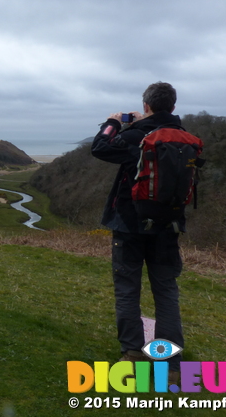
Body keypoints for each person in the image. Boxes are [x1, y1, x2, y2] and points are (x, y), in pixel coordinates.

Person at [91, 82, 185, 384]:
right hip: (168, 227)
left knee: (128, 289)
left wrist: (113, 123)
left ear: (146, 106)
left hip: (129, 225)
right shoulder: (185, 139)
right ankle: (169, 362)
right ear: (172, 107)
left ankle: (131, 354)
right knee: (166, 292)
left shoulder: (134, 135)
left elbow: (100, 147)